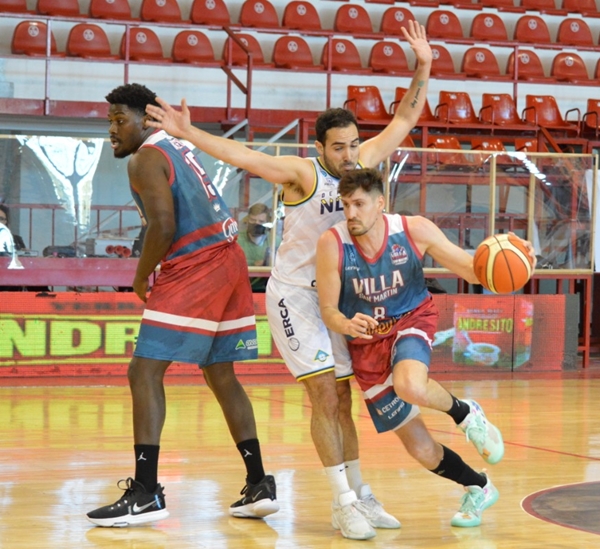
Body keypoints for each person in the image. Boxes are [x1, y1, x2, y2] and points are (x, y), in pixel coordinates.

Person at [146, 20, 431, 540]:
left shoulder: (363, 166)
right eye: (339, 147)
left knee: (343, 401)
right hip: (295, 299)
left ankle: (360, 493)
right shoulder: (304, 174)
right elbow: (246, 156)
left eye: (354, 144)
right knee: (323, 395)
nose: (349, 155)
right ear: (320, 147)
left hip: (337, 301)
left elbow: (406, 117)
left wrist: (425, 63)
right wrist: (189, 133)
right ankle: (341, 502)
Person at [86, 83, 279, 528]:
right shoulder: (176, 147)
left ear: (146, 119)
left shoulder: (145, 158)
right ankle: (259, 483)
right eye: (110, 121)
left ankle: (146, 492)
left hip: (198, 262)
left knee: (143, 372)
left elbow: (163, 224)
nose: (112, 129)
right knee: (220, 374)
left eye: (120, 120)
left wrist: (140, 275)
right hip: (229, 259)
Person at [315, 168, 535, 527]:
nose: (351, 212)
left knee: (410, 385)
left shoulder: (412, 230)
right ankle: (478, 487)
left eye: (359, 204)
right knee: (420, 448)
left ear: (380, 203)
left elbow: (474, 271)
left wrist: (518, 256)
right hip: (366, 348)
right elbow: (328, 310)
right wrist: (345, 323)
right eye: (346, 204)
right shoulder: (332, 244)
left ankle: (466, 413)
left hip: (410, 319)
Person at [238, 202, 275, 292]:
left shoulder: (274, 241)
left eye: (261, 221)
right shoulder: (237, 241)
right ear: (247, 219)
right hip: (242, 289)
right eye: (253, 220)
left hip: (266, 290)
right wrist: (253, 264)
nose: (256, 224)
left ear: (267, 223)